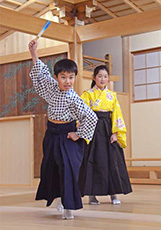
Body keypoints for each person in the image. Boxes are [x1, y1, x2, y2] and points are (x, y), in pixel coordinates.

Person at [28, 40, 98, 219]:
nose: (68, 81)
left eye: (71, 77)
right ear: (57, 77)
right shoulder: (51, 87)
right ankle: (59, 198)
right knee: (52, 167)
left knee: (69, 168)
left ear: (75, 77)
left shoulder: (74, 98)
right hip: (52, 133)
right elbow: (40, 73)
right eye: (63, 77)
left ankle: (69, 207)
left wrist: (78, 134)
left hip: (68, 136)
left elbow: (91, 117)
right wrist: (33, 52)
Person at [79, 65, 132, 205]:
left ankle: (114, 194)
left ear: (108, 79)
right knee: (93, 160)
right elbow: (81, 113)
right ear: (94, 78)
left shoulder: (112, 96)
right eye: (100, 76)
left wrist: (116, 132)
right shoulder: (87, 94)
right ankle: (92, 195)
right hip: (93, 128)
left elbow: (117, 114)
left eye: (105, 76)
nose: (103, 79)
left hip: (108, 128)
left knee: (112, 160)